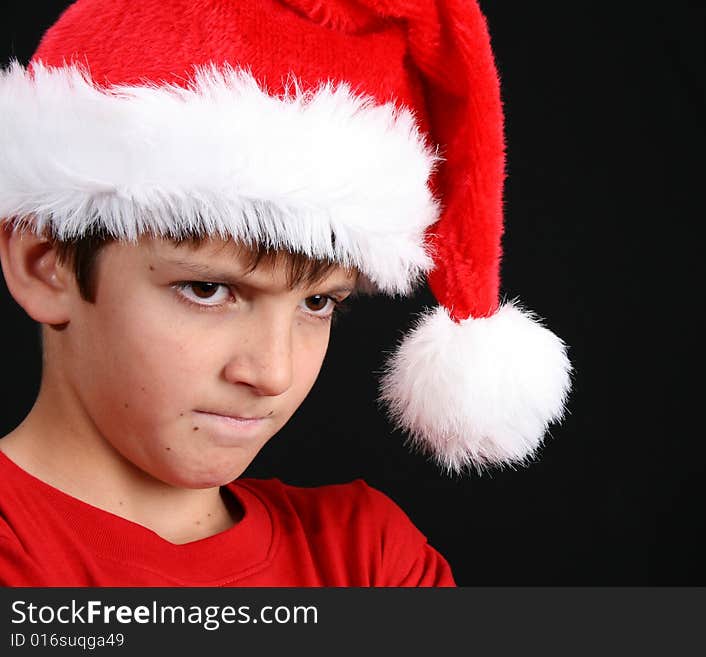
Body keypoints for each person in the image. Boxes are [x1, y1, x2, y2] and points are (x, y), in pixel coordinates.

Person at [0, 0, 572, 586]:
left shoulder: (366, 557)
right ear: (44, 265)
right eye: (207, 289)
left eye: (317, 303)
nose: (271, 373)